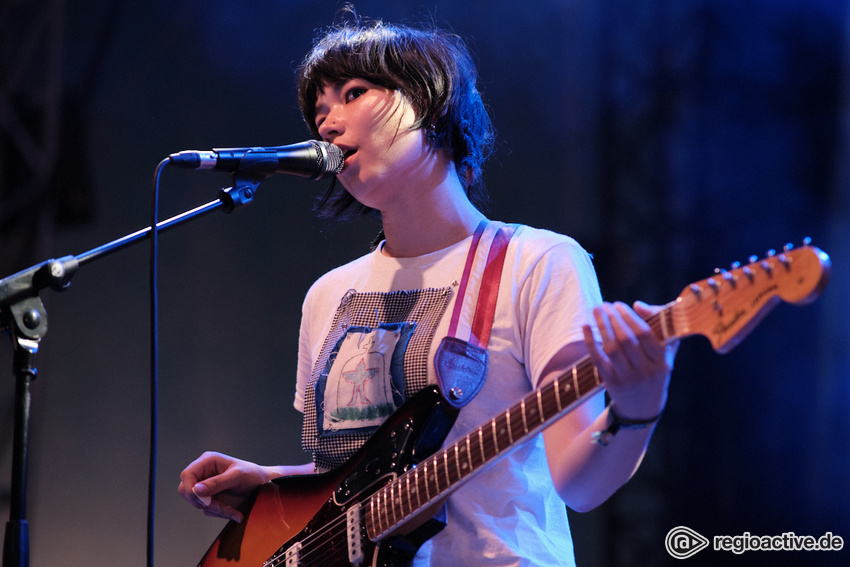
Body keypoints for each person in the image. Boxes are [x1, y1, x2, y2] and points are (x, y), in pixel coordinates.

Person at [178, 13, 678, 567]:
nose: (327, 124)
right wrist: (271, 483)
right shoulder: (329, 294)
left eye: (353, 93)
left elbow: (580, 486)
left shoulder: (536, 263)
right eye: (319, 112)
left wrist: (636, 408)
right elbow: (348, 479)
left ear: (430, 101)